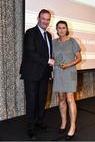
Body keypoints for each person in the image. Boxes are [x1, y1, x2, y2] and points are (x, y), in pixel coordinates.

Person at [20, 9, 54, 140]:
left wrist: (52, 63)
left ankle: (39, 122)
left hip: (44, 73)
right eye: (43, 18)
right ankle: (30, 128)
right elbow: (31, 52)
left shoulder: (49, 35)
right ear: (38, 18)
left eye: (47, 19)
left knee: (42, 100)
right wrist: (48, 60)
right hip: (31, 73)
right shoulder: (30, 33)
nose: (45, 21)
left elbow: (49, 53)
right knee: (32, 101)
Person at [52, 21, 81, 141]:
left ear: (66, 29)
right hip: (58, 72)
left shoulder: (72, 41)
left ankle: (72, 126)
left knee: (70, 99)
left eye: (64, 28)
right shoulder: (53, 43)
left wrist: (68, 64)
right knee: (61, 98)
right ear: (57, 30)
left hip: (70, 72)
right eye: (59, 28)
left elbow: (79, 58)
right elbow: (51, 57)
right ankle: (63, 123)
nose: (62, 30)